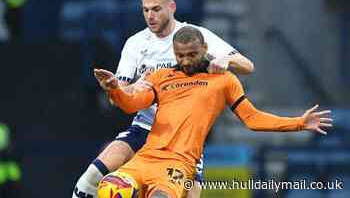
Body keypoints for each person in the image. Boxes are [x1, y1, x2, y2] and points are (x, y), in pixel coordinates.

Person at [94, 26, 333, 198]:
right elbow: (131, 103)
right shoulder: (161, 77)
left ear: (205, 49)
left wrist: (299, 123)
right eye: (180, 56)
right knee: (108, 189)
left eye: (192, 55)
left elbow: (253, 119)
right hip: (145, 158)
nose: (186, 61)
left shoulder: (224, 81)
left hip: (178, 165)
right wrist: (115, 90)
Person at [73, 0, 254, 198]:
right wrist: (120, 87)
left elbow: (247, 65)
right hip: (143, 129)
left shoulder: (194, 36)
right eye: (146, 10)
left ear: (172, 7)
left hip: (184, 140)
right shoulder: (135, 43)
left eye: (156, 9)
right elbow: (119, 97)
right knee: (89, 179)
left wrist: (225, 59)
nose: (150, 16)